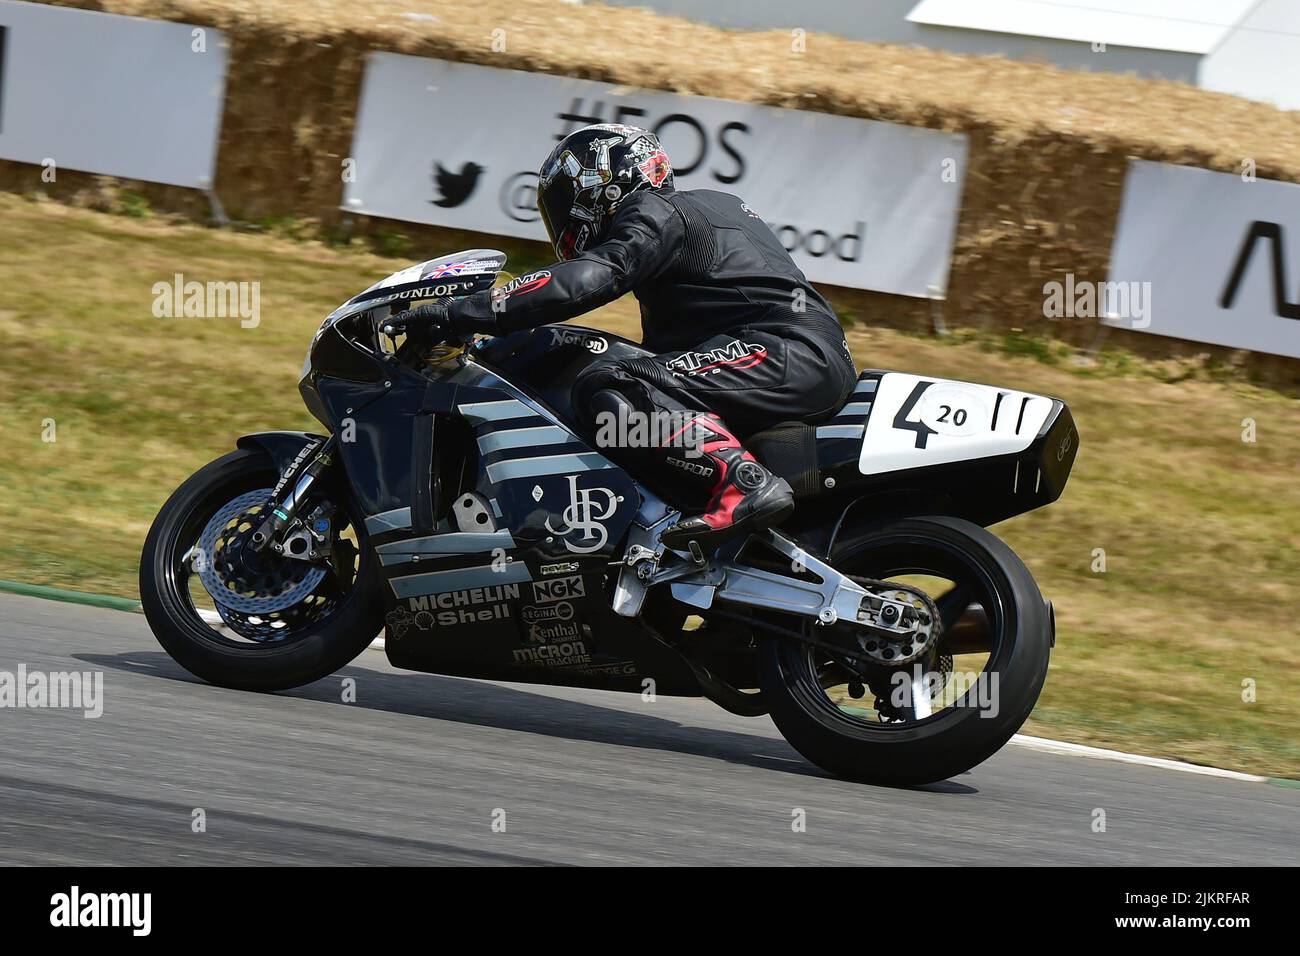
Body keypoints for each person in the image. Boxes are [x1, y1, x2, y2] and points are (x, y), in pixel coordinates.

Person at [393, 124, 857, 552]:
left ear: (602, 186)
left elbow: (590, 278)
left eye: (562, 204)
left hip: (786, 352)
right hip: (797, 353)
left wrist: (467, 312)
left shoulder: (655, 210)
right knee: (637, 378)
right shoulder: (704, 212)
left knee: (614, 381)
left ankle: (745, 484)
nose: (560, 223)